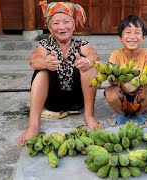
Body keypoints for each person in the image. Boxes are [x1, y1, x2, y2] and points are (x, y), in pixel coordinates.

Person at [17, 1, 104, 146]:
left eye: (66, 22)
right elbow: (34, 60)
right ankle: (33, 126)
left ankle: (89, 116)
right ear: (50, 27)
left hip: (78, 101)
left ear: (74, 25)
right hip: (53, 102)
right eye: (56, 23)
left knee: (90, 67)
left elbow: (93, 54)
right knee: (41, 71)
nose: (62, 27)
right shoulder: (46, 45)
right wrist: (46, 63)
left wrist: (87, 61)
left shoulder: (80, 44)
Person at [104, 15, 147, 127]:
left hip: (140, 94)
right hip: (122, 93)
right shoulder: (116, 54)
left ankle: (140, 113)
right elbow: (111, 75)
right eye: (128, 32)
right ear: (121, 37)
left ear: (143, 38)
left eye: (137, 32)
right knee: (110, 93)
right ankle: (121, 114)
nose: (132, 37)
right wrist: (113, 78)